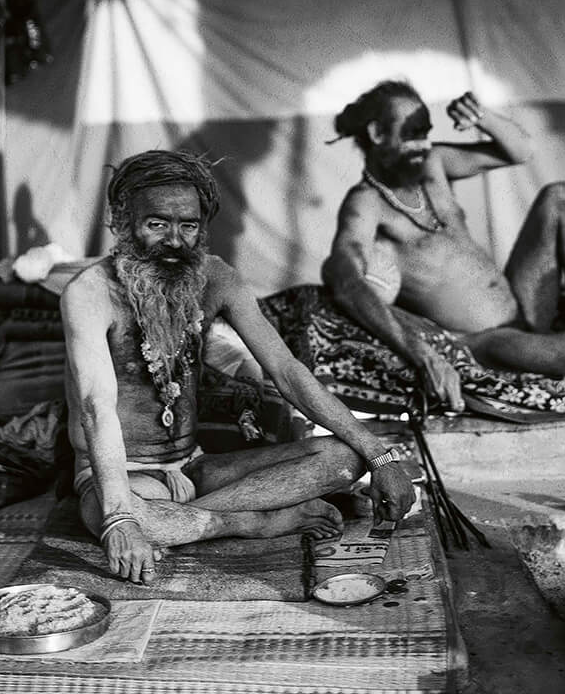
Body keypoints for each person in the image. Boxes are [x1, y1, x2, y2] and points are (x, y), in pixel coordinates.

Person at [61, 149, 416, 586]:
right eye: (156, 224)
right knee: (117, 515)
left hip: (197, 468)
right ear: (120, 220)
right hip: (123, 479)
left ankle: (186, 523)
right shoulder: (88, 293)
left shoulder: (216, 278)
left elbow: (287, 371)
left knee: (347, 457)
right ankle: (252, 522)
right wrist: (120, 519)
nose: (174, 241)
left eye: (188, 226)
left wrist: (381, 458)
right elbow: (97, 406)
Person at [322, 80, 565, 414]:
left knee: (563, 196)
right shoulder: (366, 204)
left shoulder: (433, 164)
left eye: (426, 132)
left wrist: (482, 117)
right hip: (484, 339)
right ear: (378, 133)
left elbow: (521, 150)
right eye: (412, 134)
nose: (423, 144)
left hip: (522, 304)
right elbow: (344, 279)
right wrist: (420, 352)